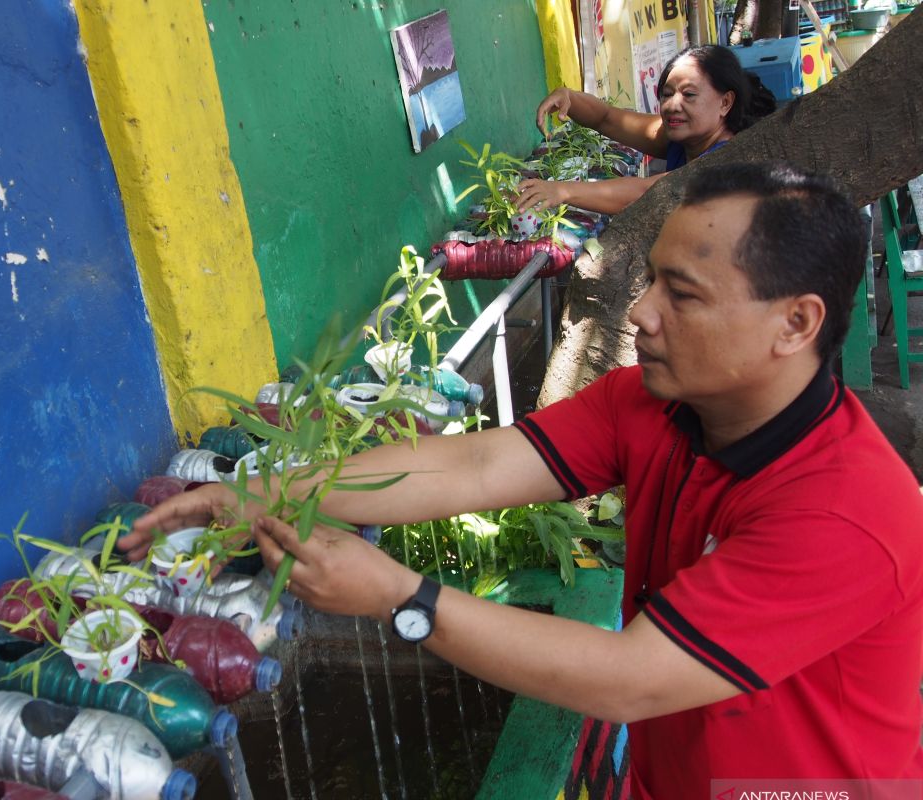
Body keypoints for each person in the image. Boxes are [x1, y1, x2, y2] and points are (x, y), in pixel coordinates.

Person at [120, 161, 923, 796]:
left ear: (797, 323)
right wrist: (265, 491)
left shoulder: (847, 512)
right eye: (650, 280)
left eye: (680, 294)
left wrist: (402, 599)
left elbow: (632, 678)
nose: (640, 313)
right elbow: (473, 462)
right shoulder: (657, 403)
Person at [515, 44, 776, 215]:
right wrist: (569, 99)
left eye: (689, 94)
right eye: (667, 94)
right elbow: (607, 118)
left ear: (725, 102)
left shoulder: (725, 161)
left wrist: (561, 190)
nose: (672, 105)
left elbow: (644, 194)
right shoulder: (684, 138)